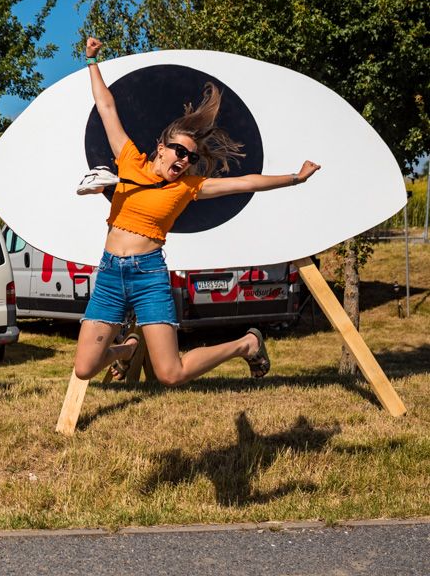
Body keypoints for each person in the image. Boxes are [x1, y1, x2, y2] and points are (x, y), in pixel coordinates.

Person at [73, 37, 321, 386]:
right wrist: (91, 61)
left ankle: (246, 344)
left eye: (190, 157)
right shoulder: (129, 160)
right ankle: (128, 349)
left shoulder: (188, 187)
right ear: (161, 147)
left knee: (171, 373)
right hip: (111, 273)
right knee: (84, 368)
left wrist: (295, 178)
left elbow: (244, 183)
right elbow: (106, 107)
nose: (184, 160)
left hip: (148, 275)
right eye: (179, 151)